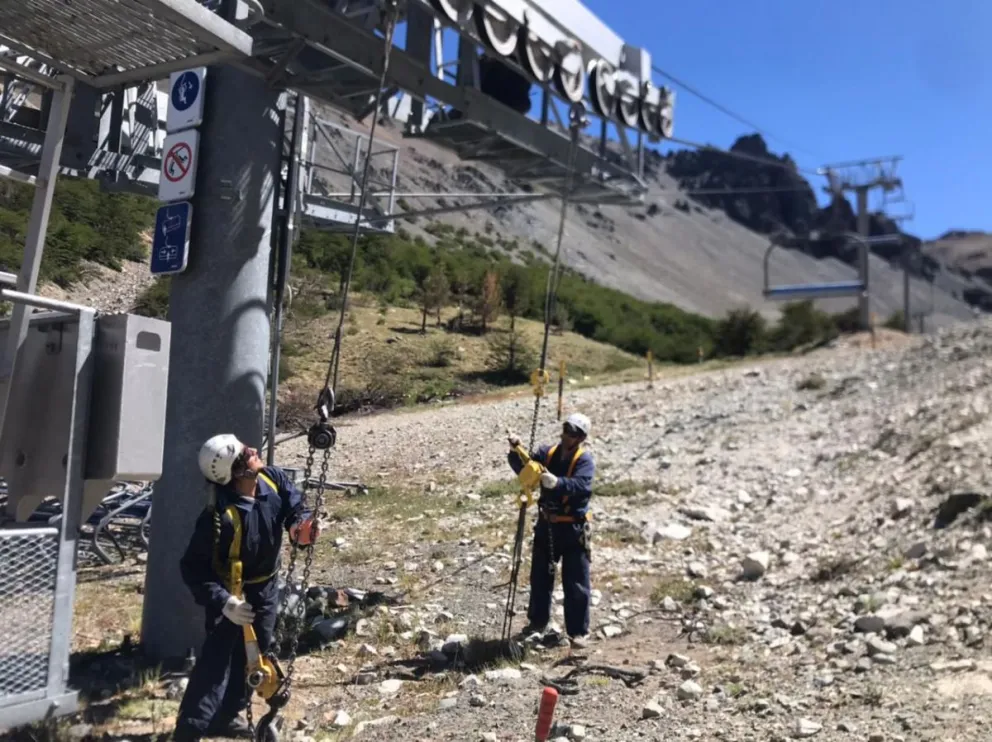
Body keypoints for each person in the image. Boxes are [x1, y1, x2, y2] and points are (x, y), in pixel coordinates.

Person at [173, 434, 318, 742]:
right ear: (236, 472)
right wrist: (225, 602)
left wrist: (300, 527)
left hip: (264, 587)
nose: (253, 450)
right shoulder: (220, 518)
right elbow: (193, 567)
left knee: (256, 653)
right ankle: (189, 731)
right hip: (231, 592)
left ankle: (225, 717)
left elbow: (295, 506)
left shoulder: (272, 479)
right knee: (217, 660)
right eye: (245, 453)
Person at [507, 413, 596, 649]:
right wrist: (516, 449)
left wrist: (557, 483)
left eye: (573, 432)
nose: (568, 434)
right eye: (566, 428)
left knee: (576, 582)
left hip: (573, 527)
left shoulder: (584, 460)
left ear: (581, 437)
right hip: (547, 525)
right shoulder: (547, 453)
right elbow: (525, 467)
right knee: (540, 576)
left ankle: (578, 632)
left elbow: (582, 485)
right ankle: (537, 623)